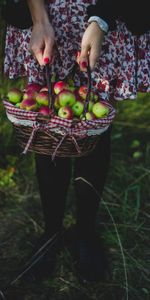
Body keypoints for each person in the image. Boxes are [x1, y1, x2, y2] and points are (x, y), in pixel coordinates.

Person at [2, 0, 150, 284]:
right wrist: (39, 18)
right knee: (46, 126)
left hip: (104, 12)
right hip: (50, 14)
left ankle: (85, 231)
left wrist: (101, 20)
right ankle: (51, 232)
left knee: (93, 125)